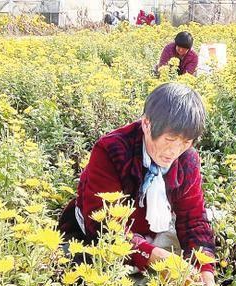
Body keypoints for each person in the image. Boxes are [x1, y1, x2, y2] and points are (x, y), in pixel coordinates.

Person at [58, 83, 216, 285]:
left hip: (153, 231)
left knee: (204, 247)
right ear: (147, 124)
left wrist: (205, 271)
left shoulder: (188, 159)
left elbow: (193, 219)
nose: (175, 151)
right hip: (96, 234)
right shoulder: (111, 150)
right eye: (170, 139)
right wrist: (151, 255)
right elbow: (102, 224)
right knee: (83, 268)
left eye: (186, 142)